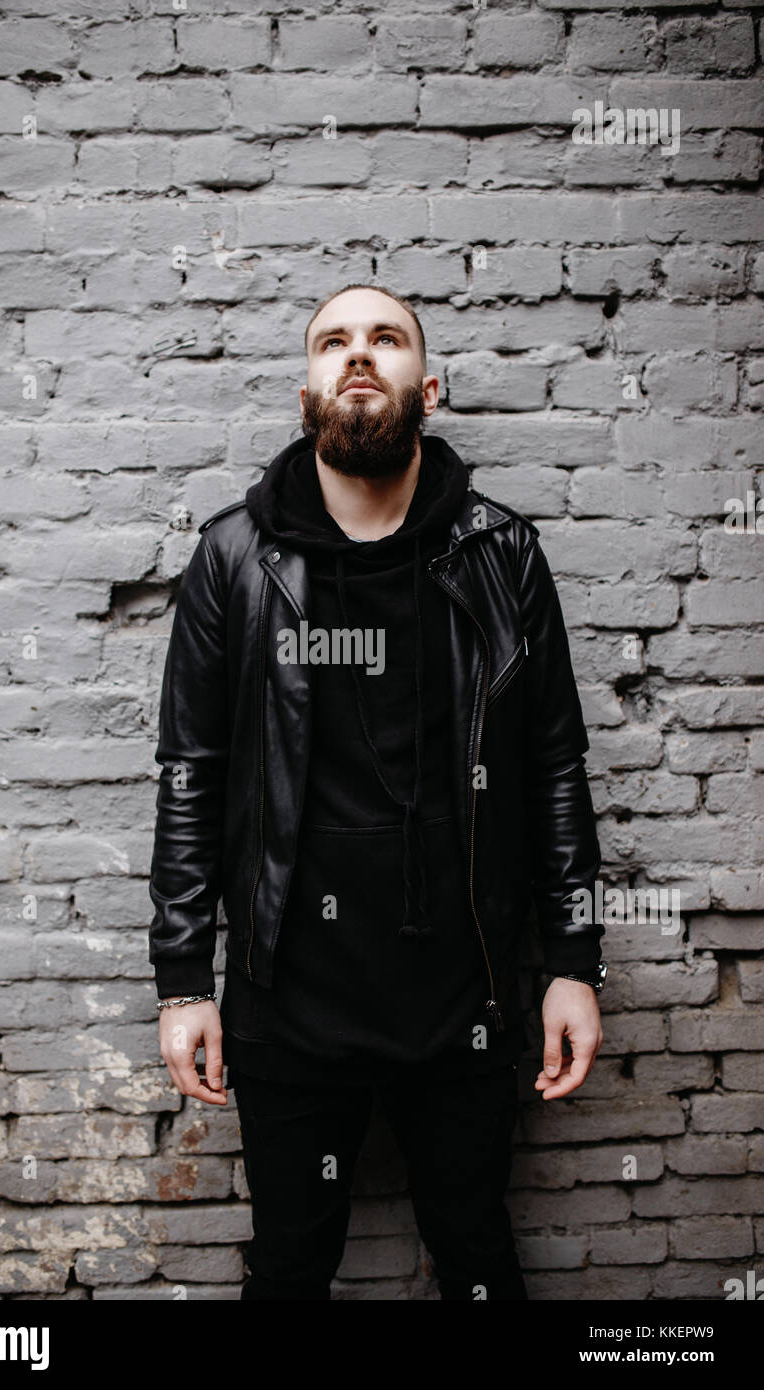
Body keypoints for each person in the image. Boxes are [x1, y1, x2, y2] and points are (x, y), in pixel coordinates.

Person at [148, 284, 606, 1300]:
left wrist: (574, 960)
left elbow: (553, 766)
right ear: (308, 388)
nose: (358, 355)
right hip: (286, 1004)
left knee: (476, 1252)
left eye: (385, 338)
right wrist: (183, 979)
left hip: (464, 997)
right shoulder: (234, 559)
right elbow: (192, 775)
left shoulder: (499, 553)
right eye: (333, 342)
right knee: (289, 1270)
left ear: (426, 386)